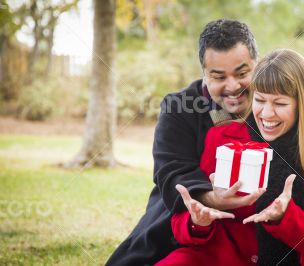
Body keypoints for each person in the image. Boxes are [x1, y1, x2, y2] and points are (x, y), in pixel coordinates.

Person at [156, 49, 304, 266]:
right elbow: (181, 222)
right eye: (260, 100)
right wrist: (197, 221)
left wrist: (285, 217)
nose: (266, 114)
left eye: (279, 104)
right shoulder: (222, 137)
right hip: (207, 259)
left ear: (302, 104)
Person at [106, 19, 266, 266]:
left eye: (242, 73)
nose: (233, 86)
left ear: (258, 65)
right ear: (204, 73)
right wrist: (212, 198)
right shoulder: (178, 107)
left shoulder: (274, 106)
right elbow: (171, 173)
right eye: (218, 76)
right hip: (180, 222)